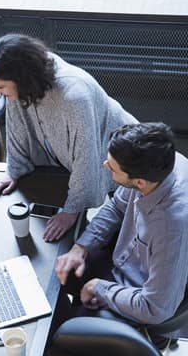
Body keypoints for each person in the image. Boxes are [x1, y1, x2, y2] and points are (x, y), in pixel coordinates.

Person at [0, 34, 137, 241]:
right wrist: (14, 171)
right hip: (96, 149)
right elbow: (17, 128)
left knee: (128, 225)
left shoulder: (74, 96)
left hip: (125, 153)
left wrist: (71, 210)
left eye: (0, 86)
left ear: (23, 79)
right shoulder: (24, 83)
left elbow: (86, 156)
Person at [55, 122, 188, 345]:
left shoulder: (171, 228)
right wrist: (81, 248)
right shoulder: (160, 165)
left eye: (113, 168)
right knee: (57, 273)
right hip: (124, 261)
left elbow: (156, 308)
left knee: (66, 339)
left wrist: (98, 288)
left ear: (139, 182)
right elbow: (117, 207)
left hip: (143, 295)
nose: (105, 164)